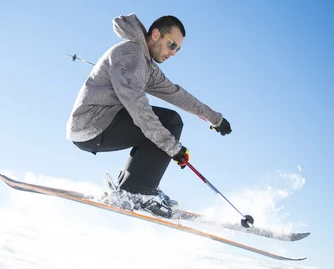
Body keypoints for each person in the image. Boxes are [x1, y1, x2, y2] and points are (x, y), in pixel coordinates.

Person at [66, 13, 231, 218]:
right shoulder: (131, 55)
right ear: (155, 34)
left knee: (168, 121)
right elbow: (139, 110)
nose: (174, 53)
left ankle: (132, 187)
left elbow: (177, 94)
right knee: (169, 123)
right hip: (93, 123)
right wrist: (173, 148)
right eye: (172, 45)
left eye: (178, 49)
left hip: (102, 122)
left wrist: (215, 118)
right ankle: (137, 191)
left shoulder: (146, 65)